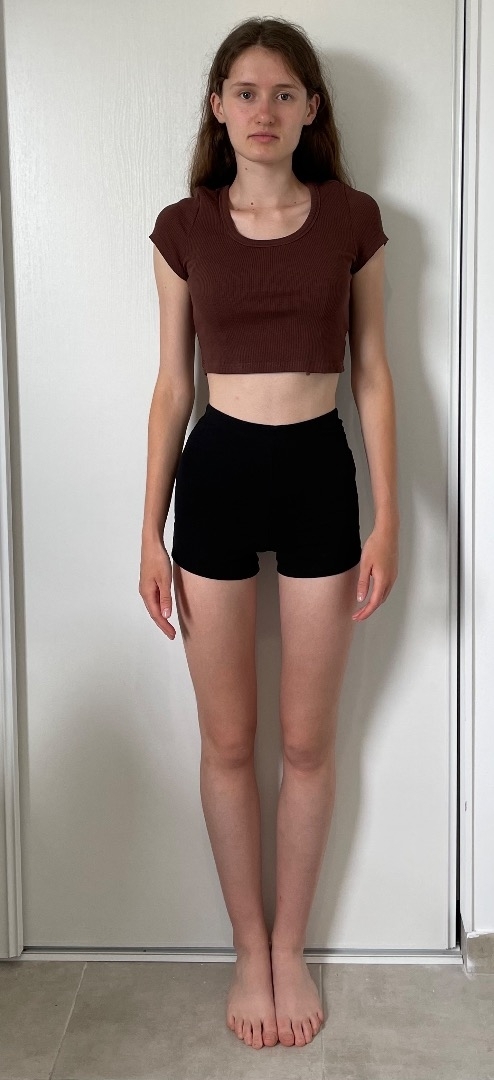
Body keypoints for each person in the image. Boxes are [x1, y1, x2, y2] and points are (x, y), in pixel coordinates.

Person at [140, 15, 399, 1053]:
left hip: (318, 480)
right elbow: (172, 386)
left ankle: (291, 945)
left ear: (310, 109)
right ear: (217, 107)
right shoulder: (184, 227)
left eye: (284, 92)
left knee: (304, 743)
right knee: (230, 743)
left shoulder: (351, 219)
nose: (263, 109)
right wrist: (147, 531)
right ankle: (248, 948)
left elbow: (372, 372)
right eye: (245, 91)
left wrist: (389, 514)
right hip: (214, 476)